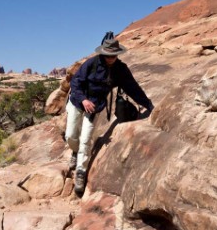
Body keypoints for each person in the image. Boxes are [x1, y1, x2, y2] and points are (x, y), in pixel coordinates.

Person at [65, 32, 154, 196]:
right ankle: (75, 151)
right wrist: (83, 99)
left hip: (95, 107)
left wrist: (149, 105)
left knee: (85, 139)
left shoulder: (121, 70)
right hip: (77, 102)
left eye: (113, 55)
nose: (110, 58)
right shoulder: (91, 64)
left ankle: (80, 173)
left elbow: (133, 88)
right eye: (108, 55)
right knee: (71, 135)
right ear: (103, 53)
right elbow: (75, 83)